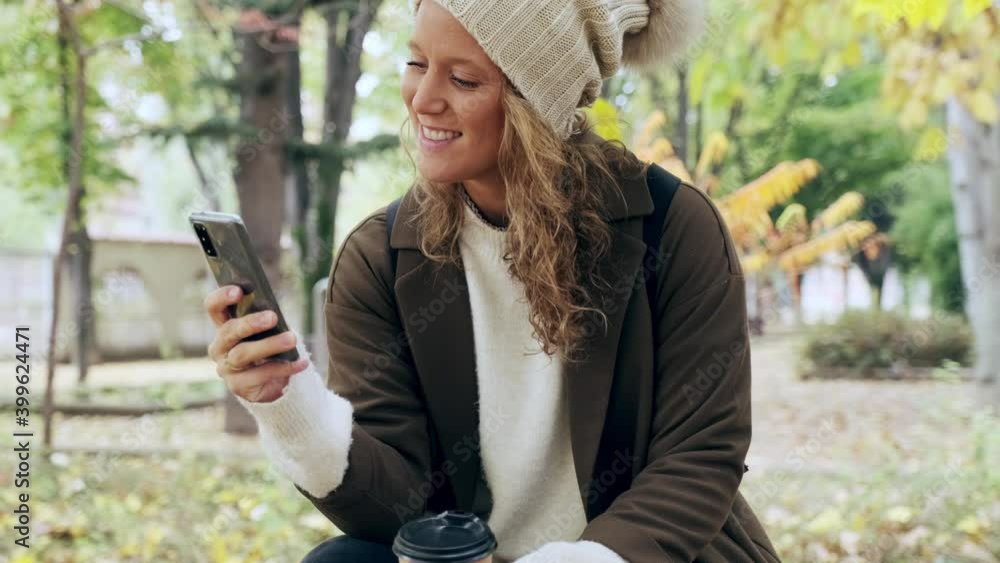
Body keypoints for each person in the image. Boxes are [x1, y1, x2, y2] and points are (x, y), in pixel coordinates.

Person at [203, 0, 781, 561]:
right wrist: (289, 405)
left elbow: (699, 459)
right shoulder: (381, 256)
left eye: (463, 79)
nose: (423, 99)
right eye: (417, 63)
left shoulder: (673, 227)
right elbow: (396, 507)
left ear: (537, 102)